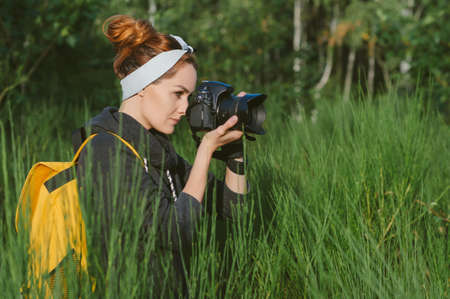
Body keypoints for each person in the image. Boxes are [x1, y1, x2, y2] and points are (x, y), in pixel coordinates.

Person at [71, 15, 249, 297]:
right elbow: (172, 232)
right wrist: (205, 151)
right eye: (177, 93)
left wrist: (234, 153)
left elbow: (234, 211)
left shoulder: (161, 152)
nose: (184, 108)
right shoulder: (105, 151)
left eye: (188, 97)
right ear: (143, 87)